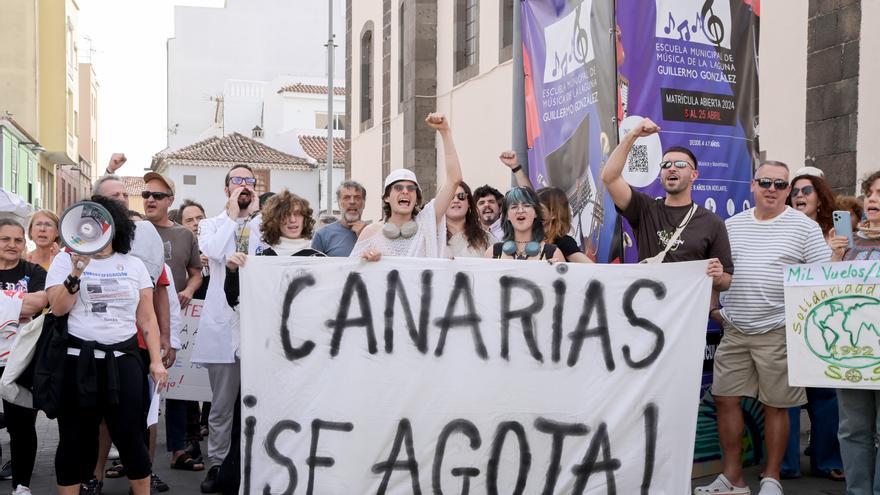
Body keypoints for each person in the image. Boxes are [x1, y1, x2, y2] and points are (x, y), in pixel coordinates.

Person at [696, 161, 832, 495]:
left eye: (780, 184)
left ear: (787, 191)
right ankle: (733, 479)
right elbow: (717, 271)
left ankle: (772, 478)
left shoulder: (804, 228)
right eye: (765, 182)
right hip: (735, 328)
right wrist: (715, 309)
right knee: (726, 400)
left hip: (779, 329)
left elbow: (822, 279)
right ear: (752, 186)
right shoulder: (731, 225)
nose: (772, 188)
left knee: (777, 405)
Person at [45, 195, 168, 495]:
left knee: (130, 436)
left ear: (114, 227)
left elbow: (147, 318)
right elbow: (58, 308)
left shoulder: (134, 265)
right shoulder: (65, 260)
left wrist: (155, 361)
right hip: (78, 361)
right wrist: (76, 271)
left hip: (123, 361)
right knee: (74, 439)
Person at [90, 172, 174, 494]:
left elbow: (159, 291)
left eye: (125, 195)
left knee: (141, 416)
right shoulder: (82, 239)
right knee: (99, 421)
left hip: (138, 344)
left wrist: (165, 338)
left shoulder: (146, 235)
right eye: (114, 196)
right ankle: (93, 476)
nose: (122, 200)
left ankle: (142, 477)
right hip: (95, 346)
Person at [601, 118, 731, 289]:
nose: (672, 168)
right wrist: (633, 135)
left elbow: (726, 281)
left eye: (681, 165)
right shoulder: (644, 209)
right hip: (646, 310)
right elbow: (609, 177)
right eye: (666, 164)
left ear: (694, 175)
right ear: (661, 174)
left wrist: (718, 276)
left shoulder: (712, 223)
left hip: (687, 313)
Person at [196, 163, 261, 493]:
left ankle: (257, 462)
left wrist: (254, 217)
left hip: (258, 326)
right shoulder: (210, 225)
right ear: (227, 190)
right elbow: (216, 252)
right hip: (223, 326)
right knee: (221, 406)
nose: (245, 185)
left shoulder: (265, 224)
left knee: (261, 400)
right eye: (238, 181)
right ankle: (217, 464)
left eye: (250, 181)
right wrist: (234, 214)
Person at [780, 169, 844, 481]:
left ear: (820, 197)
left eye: (807, 190)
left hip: (825, 325)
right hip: (787, 323)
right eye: (795, 192)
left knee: (825, 397)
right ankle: (786, 464)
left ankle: (827, 460)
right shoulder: (781, 228)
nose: (800, 195)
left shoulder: (836, 231)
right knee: (786, 397)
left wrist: (837, 253)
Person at [142, 172, 206, 477]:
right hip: (138, 321)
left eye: (157, 195)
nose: (150, 200)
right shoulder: (131, 230)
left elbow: (196, 272)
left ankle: (178, 449)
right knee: (136, 393)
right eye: (146, 195)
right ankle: (131, 458)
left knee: (177, 388)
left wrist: (189, 290)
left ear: (170, 201)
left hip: (175, 318)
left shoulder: (184, 235)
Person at [351, 113, 462, 260]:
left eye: (411, 189)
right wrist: (367, 261)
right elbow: (350, 273)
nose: (405, 191)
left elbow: (454, 179)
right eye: (398, 188)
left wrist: (445, 131)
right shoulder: (371, 232)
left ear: (417, 198)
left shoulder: (427, 222)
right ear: (386, 197)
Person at [829, 171, 880, 495]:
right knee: (852, 428)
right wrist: (835, 255)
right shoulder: (848, 240)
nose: (873, 198)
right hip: (852, 350)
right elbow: (827, 292)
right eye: (871, 192)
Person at [0, 219, 48, 495]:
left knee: (21, 426)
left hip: (20, 359)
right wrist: (16, 303)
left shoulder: (33, 271)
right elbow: (26, 303)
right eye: (5, 239)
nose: (12, 245)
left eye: (18, 240)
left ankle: (22, 485)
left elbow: (39, 302)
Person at [486, 187, 565, 262]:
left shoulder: (553, 254)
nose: (520, 211)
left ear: (536, 213)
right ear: (507, 216)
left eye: (526, 206)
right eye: (514, 207)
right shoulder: (492, 253)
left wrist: (552, 271)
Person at [310, 181, 367, 256]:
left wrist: (365, 235)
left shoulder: (376, 232)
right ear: (338, 202)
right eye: (346, 198)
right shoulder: (322, 235)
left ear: (364, 203)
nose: (352, 202)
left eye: (357, 198)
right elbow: (313, 265)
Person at [537, 187, 593, 263]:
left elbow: (592, 268)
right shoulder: (527, 238)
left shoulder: (563, 242)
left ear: (554, 214)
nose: (533, 211)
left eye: (539, 209)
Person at [445, 181, 494, 258]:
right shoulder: (432, 237)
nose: (456, 201)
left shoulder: (486, 239)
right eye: (450, 196)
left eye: (461, 196)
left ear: (469, 203)